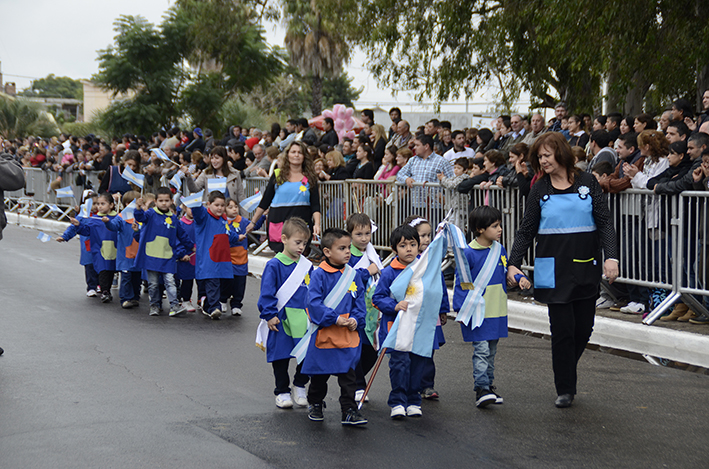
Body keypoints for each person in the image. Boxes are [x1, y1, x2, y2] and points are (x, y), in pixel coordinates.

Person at [507, 132, 619, 408]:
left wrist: (611, 257)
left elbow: (604, 222)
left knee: (584, 328)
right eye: (539, 157)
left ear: (561, 153)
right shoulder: (540, 188)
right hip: (551, 268)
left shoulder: (587, 181)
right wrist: (513, 262)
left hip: (584, 265)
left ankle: (566, 365)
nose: (543, 161)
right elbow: (526, 229)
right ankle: (565, 388)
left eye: (547, 155)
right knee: (562, 330)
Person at [454, 206, 528, 408]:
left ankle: (489, 385)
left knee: (491, 350)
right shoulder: (467, 253)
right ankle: (481, 388)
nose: (500, 229)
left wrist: (518, 279)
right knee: (481, 350)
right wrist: (463, 306)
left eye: (499, 225)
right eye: (494, 226)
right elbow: (463, 281)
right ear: (479, 229)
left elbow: (503, 273)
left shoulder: (500, 249)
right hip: (477, 310)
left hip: (496, 309)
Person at [302, 228, 368, 426]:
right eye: (342, 248)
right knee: (320, 375)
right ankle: (315, 402)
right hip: (326, 334)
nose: (347, 251)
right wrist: (334, 319)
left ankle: (348, 409)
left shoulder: (353, 275)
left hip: (347, 336)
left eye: (348, 247)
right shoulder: (319, 275)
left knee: (349, 376)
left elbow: (360, 303)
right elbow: (313, 304)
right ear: (327, 252)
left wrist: (357, 319)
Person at [372, 224, 427, 418]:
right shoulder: (388, 272)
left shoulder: (424, 268)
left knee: (418, 364)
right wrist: (394, 306)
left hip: (419, 327)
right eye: (403, 246)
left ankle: (414, 400)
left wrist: (442, 310)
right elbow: (377, 298)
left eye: (413, 244)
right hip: (395, 327)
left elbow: (436, 291)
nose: (409, 249)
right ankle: (397, 401)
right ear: (395, 249)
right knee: (399, 364)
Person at [257, 217, 313, 409]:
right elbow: (267, 291)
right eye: (298, 242)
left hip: (303, 317)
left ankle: (299, 385)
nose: (301, 247)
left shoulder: (307, 265)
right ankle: (281, 390)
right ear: (284, 239)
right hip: (281, 317)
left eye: (305, 243)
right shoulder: (274, 265)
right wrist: (270, 313)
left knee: (306, 354)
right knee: (280, 357)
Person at [246, 141, 321, 253]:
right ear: (288, 155)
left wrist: (317, 224)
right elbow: (265, 202)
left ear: (304, 156)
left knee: (299, 257)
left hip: (301, 225)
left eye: (300, 153)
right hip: (278, 223)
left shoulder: (310, 178)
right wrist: (253, 222)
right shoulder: (277, 175)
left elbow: (315, 205)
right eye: (293, 152)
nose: (296, 155)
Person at [404, 216, 448, 401]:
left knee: (428, 351)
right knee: (409, 350)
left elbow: (440, 284)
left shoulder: (432, 259)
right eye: (422, 235)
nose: (427, 239)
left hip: (430, 311)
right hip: (413, 312)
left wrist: (443, 308)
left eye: (429, 235)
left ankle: (427, 385)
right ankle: (408, 384)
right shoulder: (407, 261)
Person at [133, 187, 192, 317]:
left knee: (170, 281)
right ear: (156, 201)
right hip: (152, 256)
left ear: (171, 201)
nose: (164, 203)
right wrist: (137, 208)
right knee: (153, 284)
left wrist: (191, 246)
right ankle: (154, 305)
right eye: (161, 200)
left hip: (167, 256)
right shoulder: (150, 213)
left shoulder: (174, 218)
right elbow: (140, 217)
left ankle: (174, 305)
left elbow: (181, 234)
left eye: (166, 200)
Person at [346, 213, 382, 403]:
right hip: (356, 308)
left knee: (372, 349)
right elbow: (345, 276)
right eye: (359, 234)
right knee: (357, 347)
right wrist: (367, 271)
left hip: (374, 310)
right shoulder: (348, 253)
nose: (364, 238)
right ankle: (359, 384)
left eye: (367, 233)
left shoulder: (372, 252)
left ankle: (353, 377)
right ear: (350, 234)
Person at [192, 191, 241, 320]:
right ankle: (214, 307)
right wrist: (195, 201)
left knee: (225, 282)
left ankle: (207, 304)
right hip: (209, 258)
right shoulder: (204, 218)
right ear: (208, 204)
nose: (220, 208)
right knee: (212, 282)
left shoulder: (223, 219)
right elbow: (197, 212)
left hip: (223, 258)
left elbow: (228, 234)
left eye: (222, 205)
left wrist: (237, 237)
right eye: (216, 205)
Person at [72, 193, 121, 304]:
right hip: (98, 249)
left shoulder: (117, 218)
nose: (99, 206)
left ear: (111, 205)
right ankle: (105, 291)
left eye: (103, 204)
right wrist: (78, 225)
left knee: (110, 270)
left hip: (113, 248)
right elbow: (86, 231)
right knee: (102, 269)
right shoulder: (94, 219)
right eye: (98, 204)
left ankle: (107, 289)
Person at [57, 190, 99, 298]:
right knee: (90, 266)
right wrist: (64, 236)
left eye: (98, 203)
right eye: (93, 203)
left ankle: (101, 284)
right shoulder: (82, 217)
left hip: (100, 246)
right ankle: (91, 287)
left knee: (100, 265)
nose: (96, 206)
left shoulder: (100, 216)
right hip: (88, 246)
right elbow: (73, 228)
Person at [104, 191, 142, 309]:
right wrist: (107, 222)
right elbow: (113, 226)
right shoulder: (121, 217)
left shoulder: (142, 217)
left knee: (137, 278)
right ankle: (125, 298)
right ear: (125, 204)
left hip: (138, 254)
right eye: (129, 203)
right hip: (125, 255)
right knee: (126, 277)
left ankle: (135, 297)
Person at [183, 146, 247, 216]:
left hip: (229, 214)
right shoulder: (206, 173)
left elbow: (241, 197)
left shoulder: (235, 174)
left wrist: (245, 218)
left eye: (217, 158)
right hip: (210, 215)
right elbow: (194, 188)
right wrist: (188, 176)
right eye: (212, 158)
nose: (214, 161)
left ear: (224, 158)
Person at [223, 199, 249, 316]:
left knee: (240, 283)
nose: (234, 209)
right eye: (230, 207)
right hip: (227, 259)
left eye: (235, 206)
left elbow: (253, 225)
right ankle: (223, 300)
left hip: (241, 258)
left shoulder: (243, 221)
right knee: (226, 282)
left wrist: (263, 216)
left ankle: (236, 304)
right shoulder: (222, 222)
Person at [437, 157, 471, 229]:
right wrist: (441, 178)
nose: (456, 170)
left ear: (465, 170)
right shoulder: (455, 177)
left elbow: (451, 184)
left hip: (461, 207)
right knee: (451, 225)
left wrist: (443, 178)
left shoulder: (464, 178)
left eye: (459, 168)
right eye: (455, 168)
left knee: (458, 227)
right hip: (454, 207)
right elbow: (446, 183)